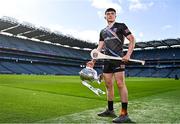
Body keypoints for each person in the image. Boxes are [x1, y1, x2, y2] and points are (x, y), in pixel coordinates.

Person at [87, 8, 135, 123]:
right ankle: (110, 110)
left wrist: (128, 55)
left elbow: (132, 39)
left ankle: (124, 114)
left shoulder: (121, 26)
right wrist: (93, 60)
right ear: (105, 17)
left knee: (120, 84)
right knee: (108, 85)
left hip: (118, 59)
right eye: (108, 14)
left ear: (115, 16)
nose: (110, 15)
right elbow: (99, 48)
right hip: (106, 60)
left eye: (112, 14)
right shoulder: (102, 31)